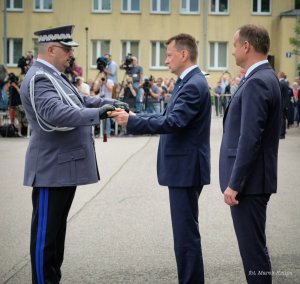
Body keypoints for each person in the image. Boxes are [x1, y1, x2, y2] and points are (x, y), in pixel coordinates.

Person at [19, 25, 128, 284]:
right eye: (67, 49)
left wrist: (108, 104)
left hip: (61, 168)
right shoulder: (39, 78)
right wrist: (98, 114)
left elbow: (79, 101)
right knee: (46, 238)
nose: (71, 54)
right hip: (51, 169)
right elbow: (55, 114)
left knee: (56, 236)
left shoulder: (54, 75)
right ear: (51, 49)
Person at [112, 33, 211, 284]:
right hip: (183, 168)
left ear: (184, 54)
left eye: (168, 55)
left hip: (185, 169)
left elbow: (173, 121)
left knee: (185, 236)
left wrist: (133, 120)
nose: (166, 60)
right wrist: (135, 117)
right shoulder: (187, 82)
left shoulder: (192, 84)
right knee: (184, 235)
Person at [219, 24, 281, 284]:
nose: (233, 52)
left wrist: (235, 184)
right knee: (255, 250)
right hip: (254, 180)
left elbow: (250, 139)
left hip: (250, 184)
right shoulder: (264, 77)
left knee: (253, 253)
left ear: (247, 46)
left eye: (235, 45)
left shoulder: (257, 81)